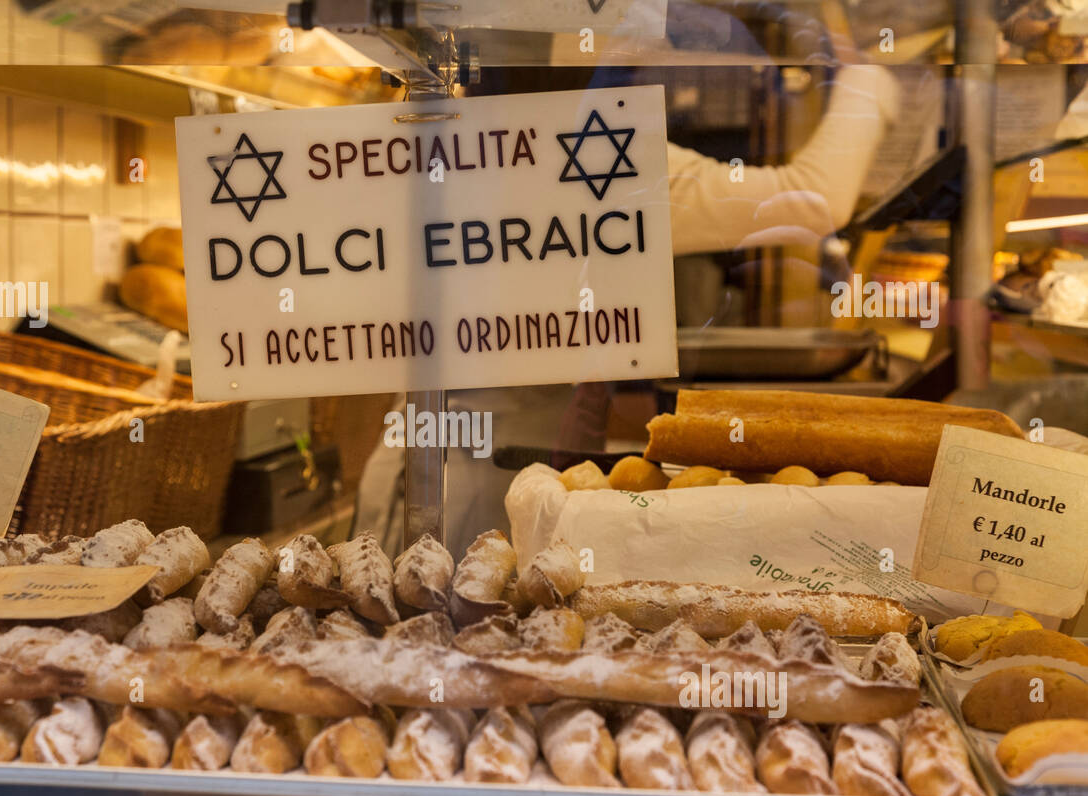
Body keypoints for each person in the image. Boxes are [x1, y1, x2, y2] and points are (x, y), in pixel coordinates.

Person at [355, 63, 903, 560]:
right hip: (484, 493)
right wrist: (869, 75)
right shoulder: (607, 152)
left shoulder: (436, 144)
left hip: (429, 470)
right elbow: (812, 198)